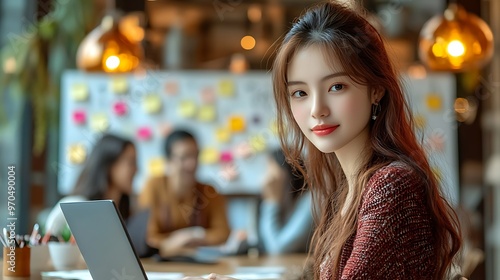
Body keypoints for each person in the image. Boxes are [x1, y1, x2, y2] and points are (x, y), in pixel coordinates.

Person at [183, 1, 462, 280]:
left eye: (336, 87)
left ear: (376, 89)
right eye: (300, 93)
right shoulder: (347, 187)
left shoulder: (391, 185)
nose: (317, 109)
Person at [138, 129, 230, 257]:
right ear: (168, 161)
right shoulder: (153, 186)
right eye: (185, 157)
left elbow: (222, 233)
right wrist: (181, 240)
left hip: (198, 267)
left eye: (195, 156)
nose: (192, 164)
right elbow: (147, 238)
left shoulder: (209, 192)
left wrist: (189, 236)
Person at [43, 134, 137, 242]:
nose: (136, 169)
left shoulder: (125, 210)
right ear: (109, 164)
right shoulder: (77, 206)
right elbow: (49, 240)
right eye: (131, 162)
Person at [259, 148, 313, 255]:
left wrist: (271, 202)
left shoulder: (311, 200)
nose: (266, 177)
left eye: (270, 169)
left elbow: (277, 248)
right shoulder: (285, 199)